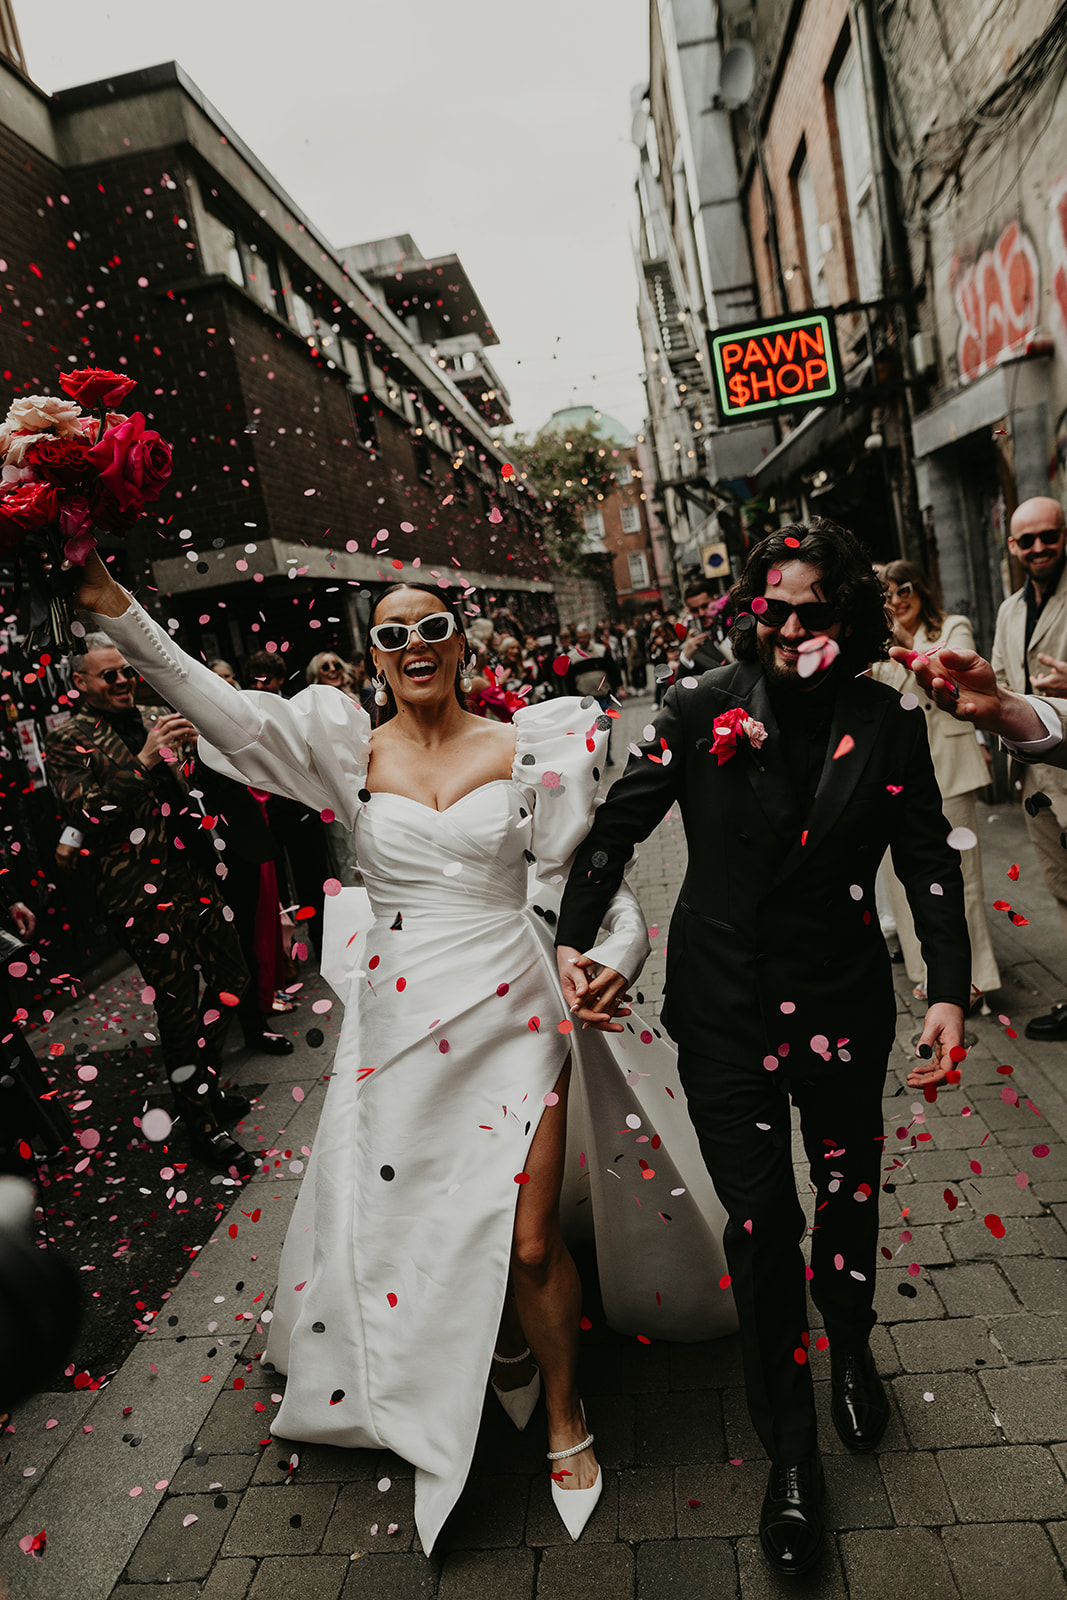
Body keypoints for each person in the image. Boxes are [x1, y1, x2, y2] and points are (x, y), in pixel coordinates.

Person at [71, 554, 734, 1554]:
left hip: (518, 1006)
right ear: (373, 656)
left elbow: (605, 889)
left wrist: (613, 960)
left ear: (460, 641)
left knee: (525, 1237)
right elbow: (213, 701)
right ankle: (493, 1343)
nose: (413, 646)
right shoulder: (343, 748)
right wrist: (114, 606)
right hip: (401, 1022)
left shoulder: (534, 747)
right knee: (426, 1213)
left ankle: (563, 1410)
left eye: (431, 628)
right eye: (390, 633)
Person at [554, 519, 970, 1579]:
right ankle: (789, 1454)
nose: (786, 628)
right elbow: (619, 824)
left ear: (846, 618)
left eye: (811, 611)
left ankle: (850, 1338)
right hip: (725, 1008)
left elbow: (925, 859)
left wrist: (947, 993)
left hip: (839, 1000)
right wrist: (569, 936)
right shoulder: (699, 704)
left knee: (844, 1197)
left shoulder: (882, 718)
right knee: (760, 1221)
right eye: (771, 608)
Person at [43, 634, 255, 1175]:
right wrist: (141, 760)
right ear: (81, 683)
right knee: (180, 1009)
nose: (120, 681)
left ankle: (200, 1089)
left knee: (233, 981)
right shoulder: (68, 740)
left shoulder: (157, 715)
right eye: (107, 675)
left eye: (124, 671)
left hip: (196, 880)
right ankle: (203, 1126)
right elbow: (86, 815)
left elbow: (189, 788)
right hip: (140, 897)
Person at [873, 562, 1000, 1005]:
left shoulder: (951, 627)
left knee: (961, 879)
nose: (898, 599)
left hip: (948, 767)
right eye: (887, 594)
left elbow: (956, 682)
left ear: (921, 588)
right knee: (900, 880)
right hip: (894, 775)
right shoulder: (878, 646)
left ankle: (975, 979)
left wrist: (912, 648)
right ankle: (929, 976)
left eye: (904, 588)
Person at [987, 496, 1067, 1040]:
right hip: (1036, 781)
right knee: (1061, 890)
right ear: (1013, 547)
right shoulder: (1010, 610)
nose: (1039, 547)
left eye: (1049, 536)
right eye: (1027, 540)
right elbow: (996, 679)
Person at [679, 581, 730, 675]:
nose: (701, 613)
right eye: (694, 610)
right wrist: (686, 656)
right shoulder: (692, 642)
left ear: (715, 600)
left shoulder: (732, 621)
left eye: (705, 606)